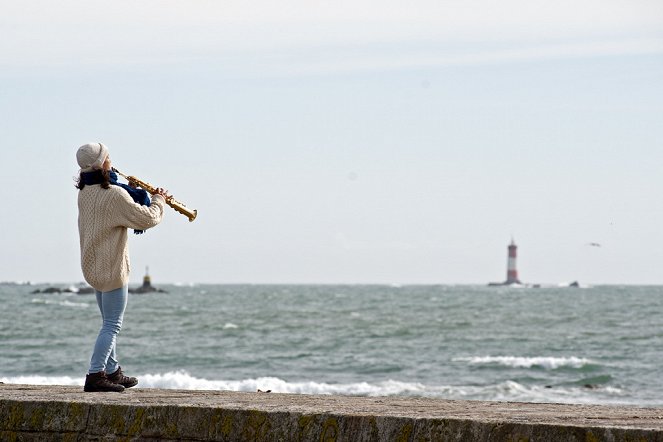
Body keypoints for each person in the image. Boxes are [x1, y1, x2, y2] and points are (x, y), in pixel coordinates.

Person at [75, 142, 169, 392]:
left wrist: (131, 191)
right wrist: (158, 200)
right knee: (113, 325)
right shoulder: (115, 195)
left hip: (93, 266)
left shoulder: (85, 192)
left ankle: (113, 371)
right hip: (112, 267)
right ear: (102, 163)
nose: (111, 161)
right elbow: (146, 218)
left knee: (107, 321)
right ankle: (95, 374)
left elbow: (115, 205)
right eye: (108, 157)